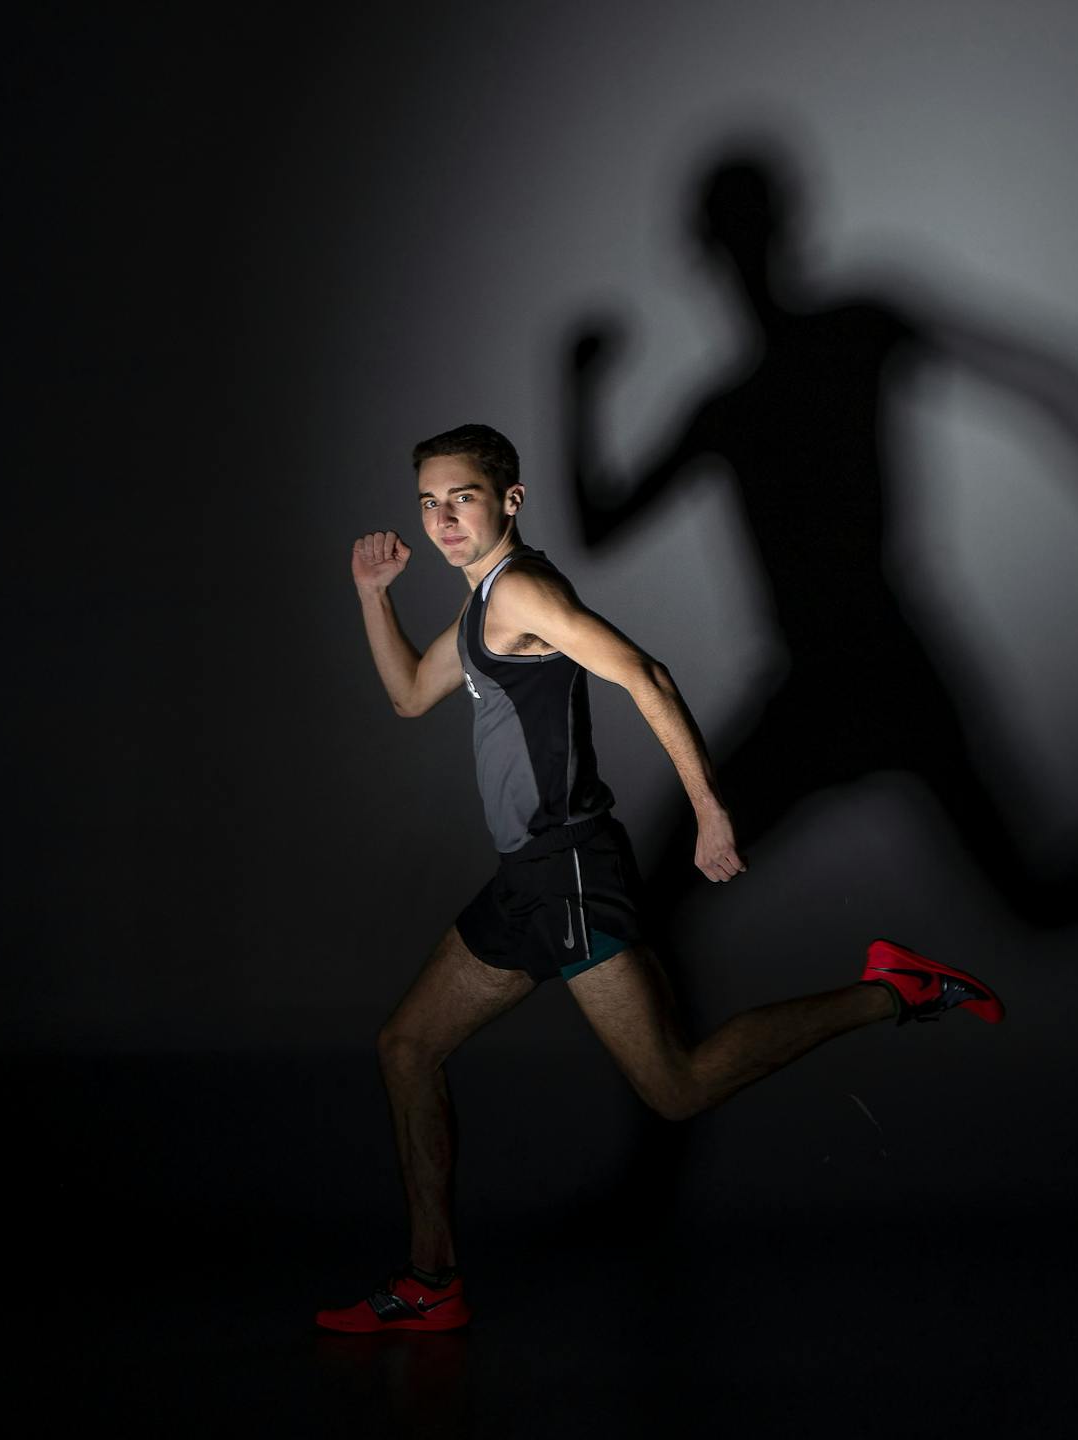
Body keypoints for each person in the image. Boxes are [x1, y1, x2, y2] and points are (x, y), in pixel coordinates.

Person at [316, 423, 1003, 1334]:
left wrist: (711, 809)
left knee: (675, 1086)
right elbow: (409, 694)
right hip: (526, 879)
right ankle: (431, 1282)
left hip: (567, 872)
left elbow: (644, 674)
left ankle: (893, 994)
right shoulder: (484, 604)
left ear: (509, 502)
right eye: (430, 503)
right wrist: (372, 594)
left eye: (463, 499)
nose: (443, 519)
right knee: (407, 1048)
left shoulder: (522, 589)